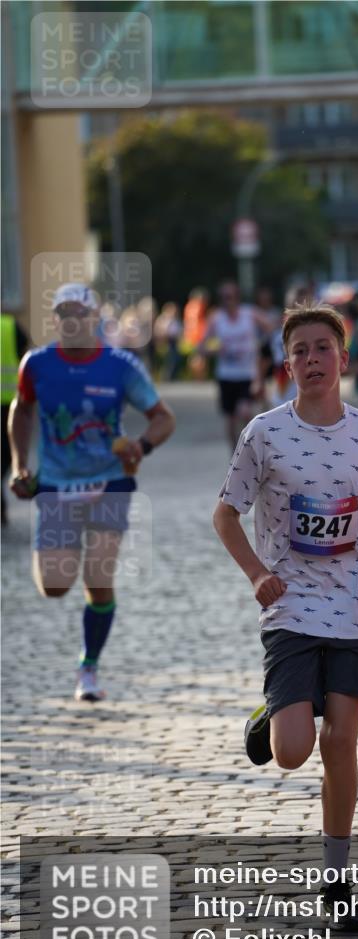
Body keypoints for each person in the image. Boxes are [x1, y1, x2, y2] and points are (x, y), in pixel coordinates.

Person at [213, 301, 358, 931]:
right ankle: (274, 711)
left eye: (323, 347)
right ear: (286, 364)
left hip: (355, 602)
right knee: (293, 751)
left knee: (341, 741)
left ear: (344, 359)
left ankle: (337, 881)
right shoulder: (264, 433)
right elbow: (225, 515)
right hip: (291, 604)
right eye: (300, 350)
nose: (312, 359)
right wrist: (257, 574)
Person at [8, 283, 175, 701]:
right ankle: (72, 554)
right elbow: (21, 409)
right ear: (55, 320)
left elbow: (163, 417)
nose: (71, 321)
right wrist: (20, 464)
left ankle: (89, 667)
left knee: (98, 577)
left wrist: (141, 446)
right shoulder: (37, 364)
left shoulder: (120, 365)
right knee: (54, 585)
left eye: (78, 313)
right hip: (56, 484)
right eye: (63, 313)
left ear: (94, 318)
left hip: (109, 481)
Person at [203, 281, 262, 451]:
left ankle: (251, 448)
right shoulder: (216, 319)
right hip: (226, 375)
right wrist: (216, 350)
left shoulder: (249, 313)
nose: (226, 301)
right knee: (230, 420)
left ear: (237, 297)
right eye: (223, 297)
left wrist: (262, 347)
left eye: (229, 297)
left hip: (246, 373)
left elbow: (271, 327)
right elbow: (201, 347)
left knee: (245, 412)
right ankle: (235, 455)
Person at [1, 310, 28, 525]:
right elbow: (23, 355)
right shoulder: (11, 325)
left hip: (9, 402)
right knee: (5, 452)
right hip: (9, 401)